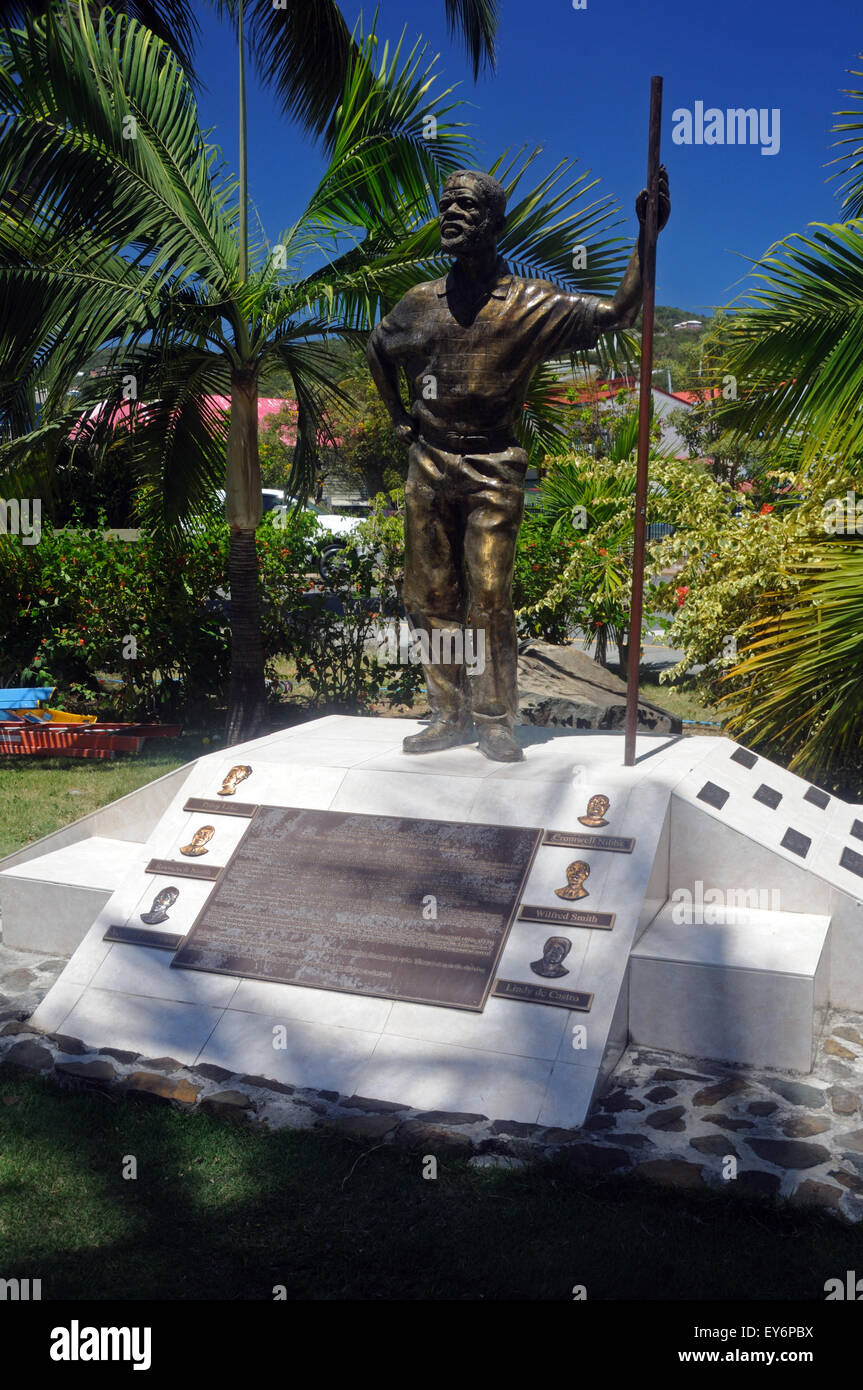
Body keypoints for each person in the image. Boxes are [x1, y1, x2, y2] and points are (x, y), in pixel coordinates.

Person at [367, 165, 670, 761]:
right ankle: (448, 713)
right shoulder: (420, 302)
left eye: (468, 209)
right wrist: (399, 417)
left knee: (487, 595)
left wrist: (648, 235)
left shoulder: (532, 303)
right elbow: (377, 349)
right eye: (446, 205)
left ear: (495, 224)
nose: (452, 215)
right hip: (428, 462)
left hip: (492, 466)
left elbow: (617, 315)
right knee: (430, 598)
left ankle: (494, 719)